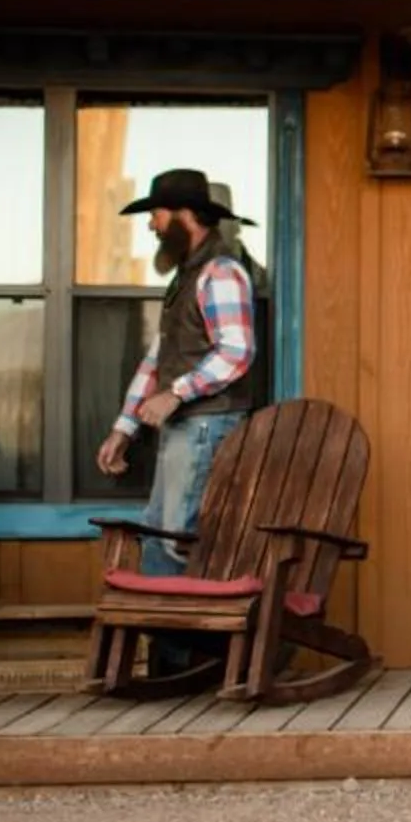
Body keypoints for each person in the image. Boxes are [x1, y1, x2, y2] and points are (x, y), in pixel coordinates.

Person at [95, 167, 265, 578]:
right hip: (185, 427)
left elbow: (238, 350)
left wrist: (176, 393)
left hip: (207, 427)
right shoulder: (186, 278)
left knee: (179, 542)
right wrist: (125, 428)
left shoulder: (220, 272)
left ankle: (187, 642)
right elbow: (157, 360)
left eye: (156, 214)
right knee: (159, 535)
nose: (151, 225)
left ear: (184, 215)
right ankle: (164, 642)